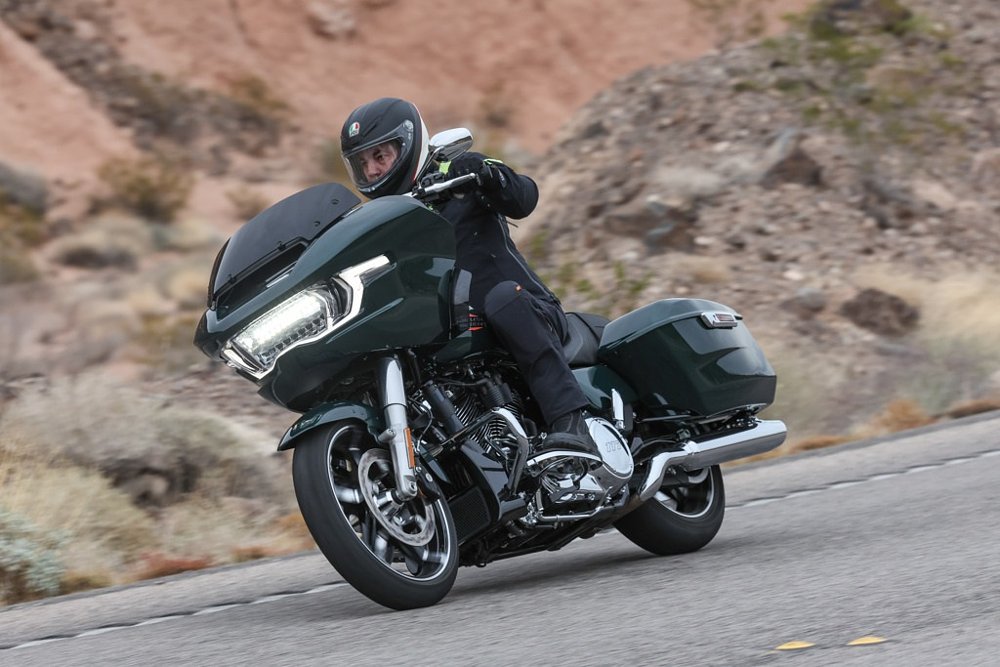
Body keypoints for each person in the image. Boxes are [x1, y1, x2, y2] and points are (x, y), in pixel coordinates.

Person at [340, 97, 598, 456]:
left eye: (379, 157)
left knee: (504, 298)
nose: (370, 172)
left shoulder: (458, 171)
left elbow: (525, 197)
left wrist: (488, 176)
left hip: (527, 312)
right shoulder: (379, 228)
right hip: (457, 339)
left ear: (408, 144)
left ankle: (571, 422)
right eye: (361, 163)